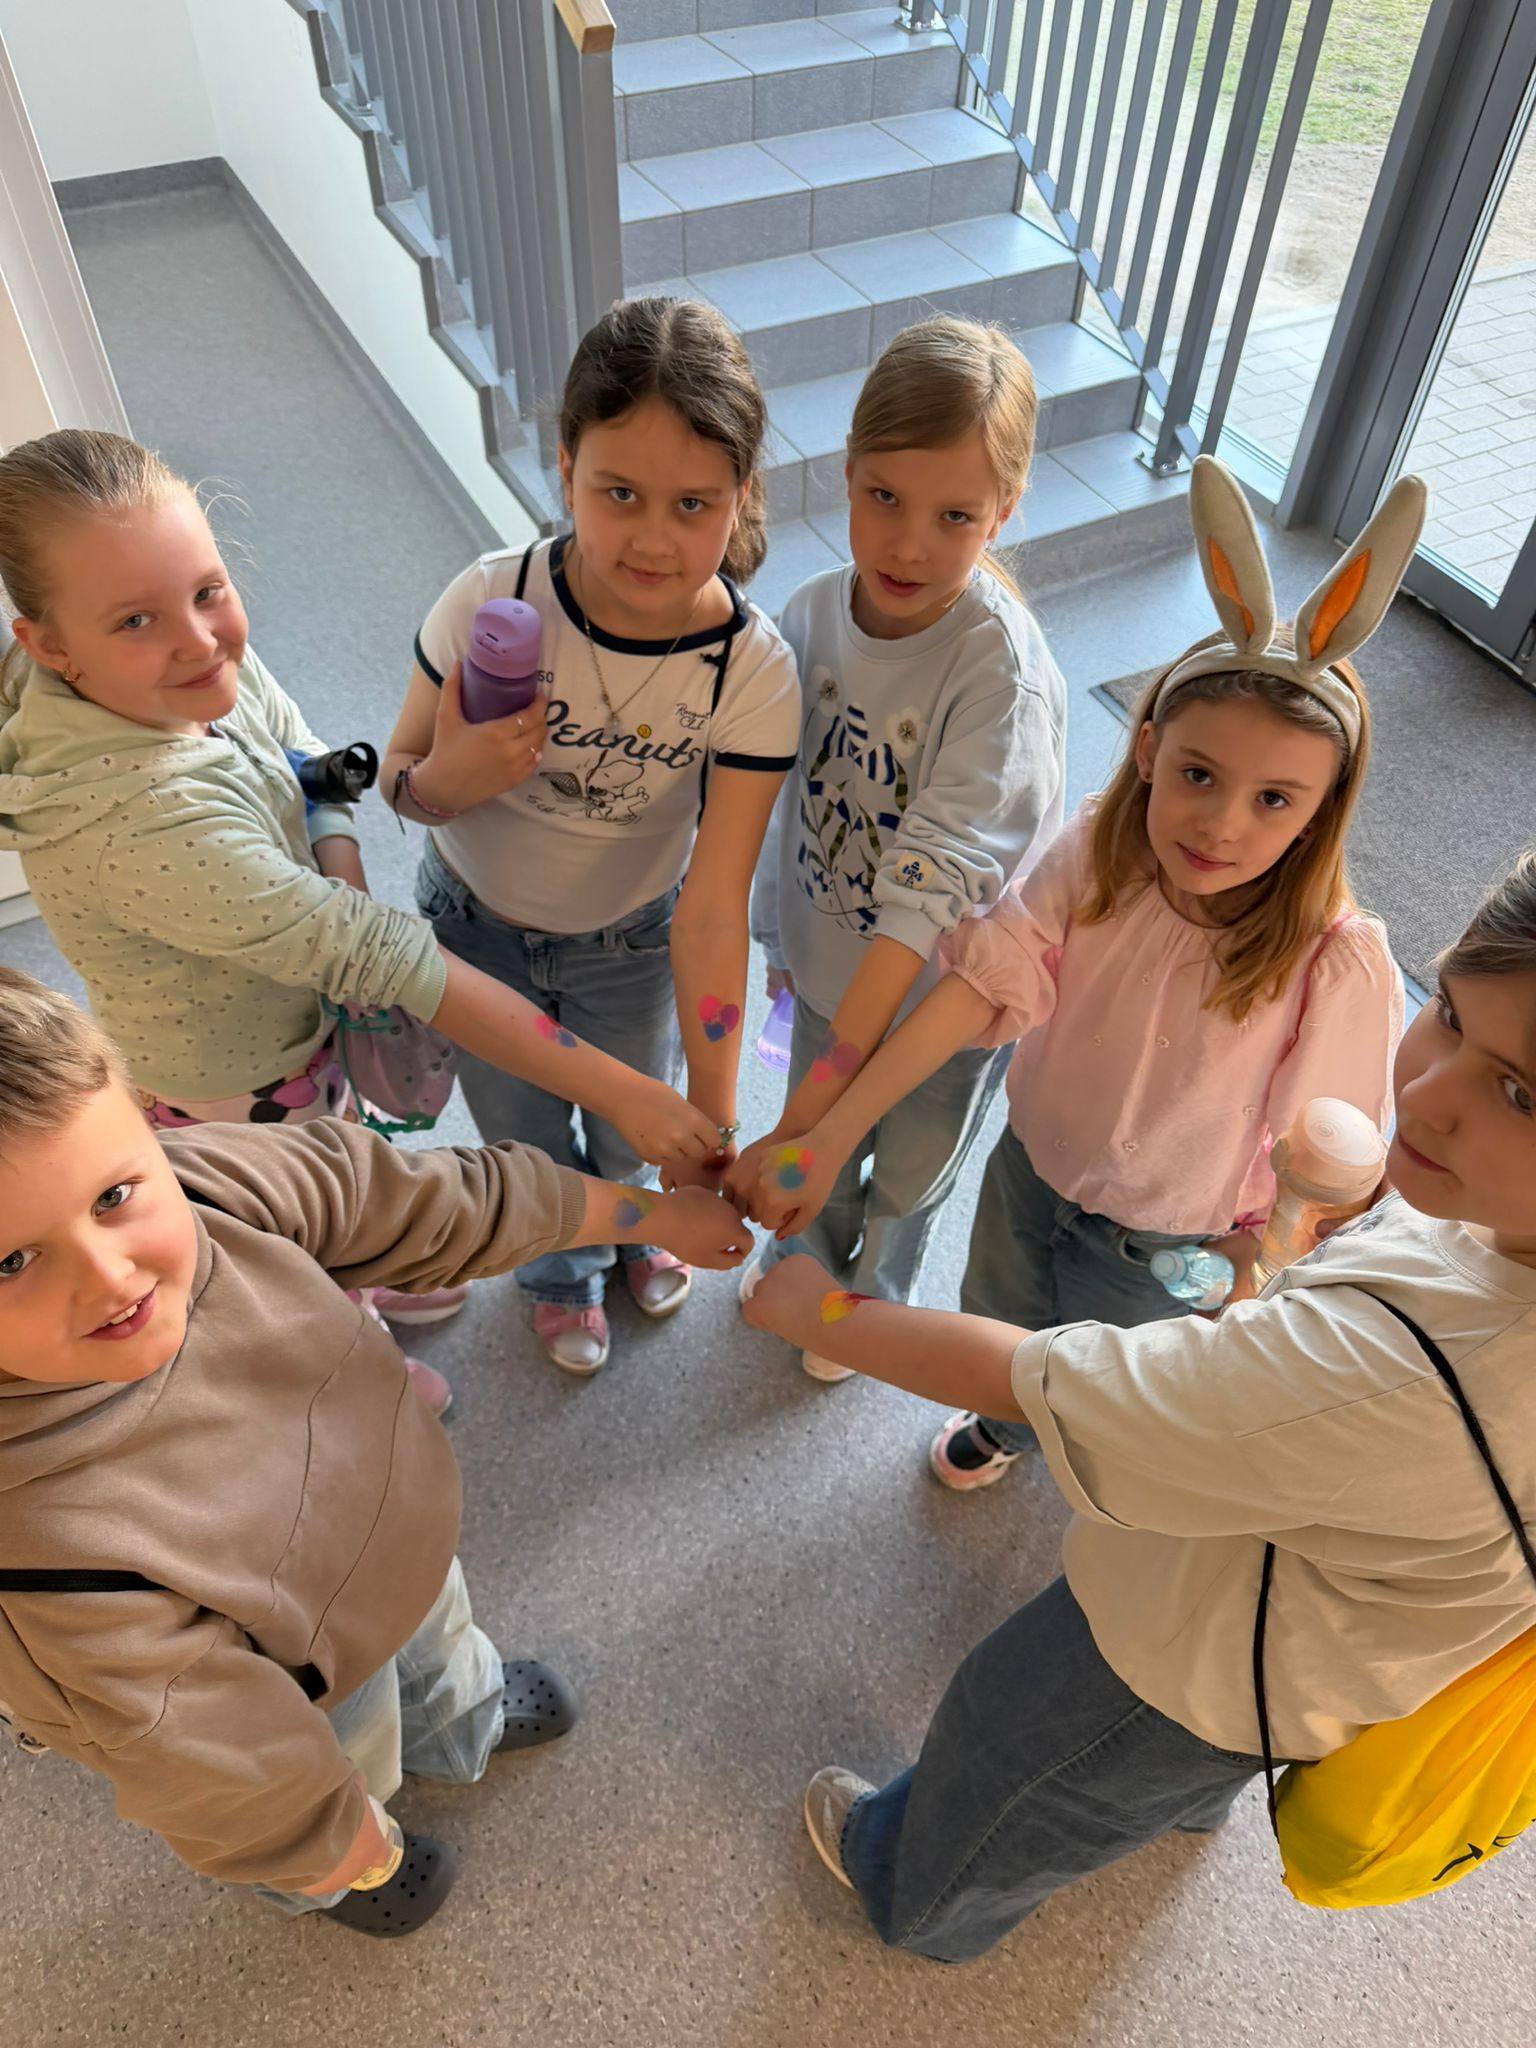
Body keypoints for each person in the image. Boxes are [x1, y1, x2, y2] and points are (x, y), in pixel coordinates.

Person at [743, 846, 1536, 1965]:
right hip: (1312, 1654)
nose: (1426, 1096)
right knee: (1163, 1772)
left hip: (1184, 1662)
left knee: (1009, 1750)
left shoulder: (1414, 1377)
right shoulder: (1495, 1233)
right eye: (1449, 1013)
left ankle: (909, 1887)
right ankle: (1188, 1802)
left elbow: (1059, 1385)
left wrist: (819, 1311)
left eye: (1521, 1093)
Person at [0, 967, 751, 1938]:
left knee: (442, 1647)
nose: (110, 1274)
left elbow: (411, 1197)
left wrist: (636, 1215)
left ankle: (465, 1722)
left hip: (399, 1534)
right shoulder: (38, 1540)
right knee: (348, 1762)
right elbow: (202, 1747)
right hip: (300, 1676)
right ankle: (332, 1873)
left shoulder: (208, 1187)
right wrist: (320, 1836)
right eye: (11, 1260)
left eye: (112, 1195)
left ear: (147, 1126)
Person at [0, 430, 717, 1413]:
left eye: (209, 590)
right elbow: (396, 957)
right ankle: (352, 1352)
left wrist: (340, 890)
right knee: (302, 1225)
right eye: (136, 619)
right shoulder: (142, 821)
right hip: (230, 1080)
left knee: (347, 1164)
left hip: (294, 1014)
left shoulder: (173, 675)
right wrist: (624, 1091)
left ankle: (370, 1272)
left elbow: (306, 758)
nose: (200, 641)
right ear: (47, 644)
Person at [749, 456, 1420, 1487]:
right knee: (999, 1322)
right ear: (1148, 749)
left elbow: (1331, 1160)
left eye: (1274, 799)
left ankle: (1057, 1448)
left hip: (1173, 1243)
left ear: (1322, 808)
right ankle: (1003, 1429)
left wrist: (1260, 1266)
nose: (1221, 824)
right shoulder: (1098, 855)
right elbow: (977, 989)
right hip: (1030, 1171)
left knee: (1104, 1387)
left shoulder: (1336, 960)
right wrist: (831, 1133)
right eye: (1199, 774)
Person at [383, 297, 799, 1376]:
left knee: (631, 1124)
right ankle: (560, 1272)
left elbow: (715, 909)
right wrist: (451, 778)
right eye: (619, 493)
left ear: (740, 497)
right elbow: (397, 781)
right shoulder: (492, 595)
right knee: (521, 1134)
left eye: (694, 504)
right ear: (566, 468)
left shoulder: (750, 671)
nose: (654, 538)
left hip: (632, 942)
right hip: (473, 934)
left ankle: (642, 1220)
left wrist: (710, 1131)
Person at [728, 318, 1067, 1383]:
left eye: (954, 516)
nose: (910, 544)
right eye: (884, 497)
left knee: (908, 1176)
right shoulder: (808, 616)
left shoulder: (999, 678)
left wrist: (799, 1120)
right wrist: (779, 938)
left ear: (1003, 510)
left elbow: (924, 904)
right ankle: (804, 1265)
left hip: (937, 1016)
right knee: (822, 1169)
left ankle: (868, 1304)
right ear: (847, 473)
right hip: (831, 970)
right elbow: (780, 801)